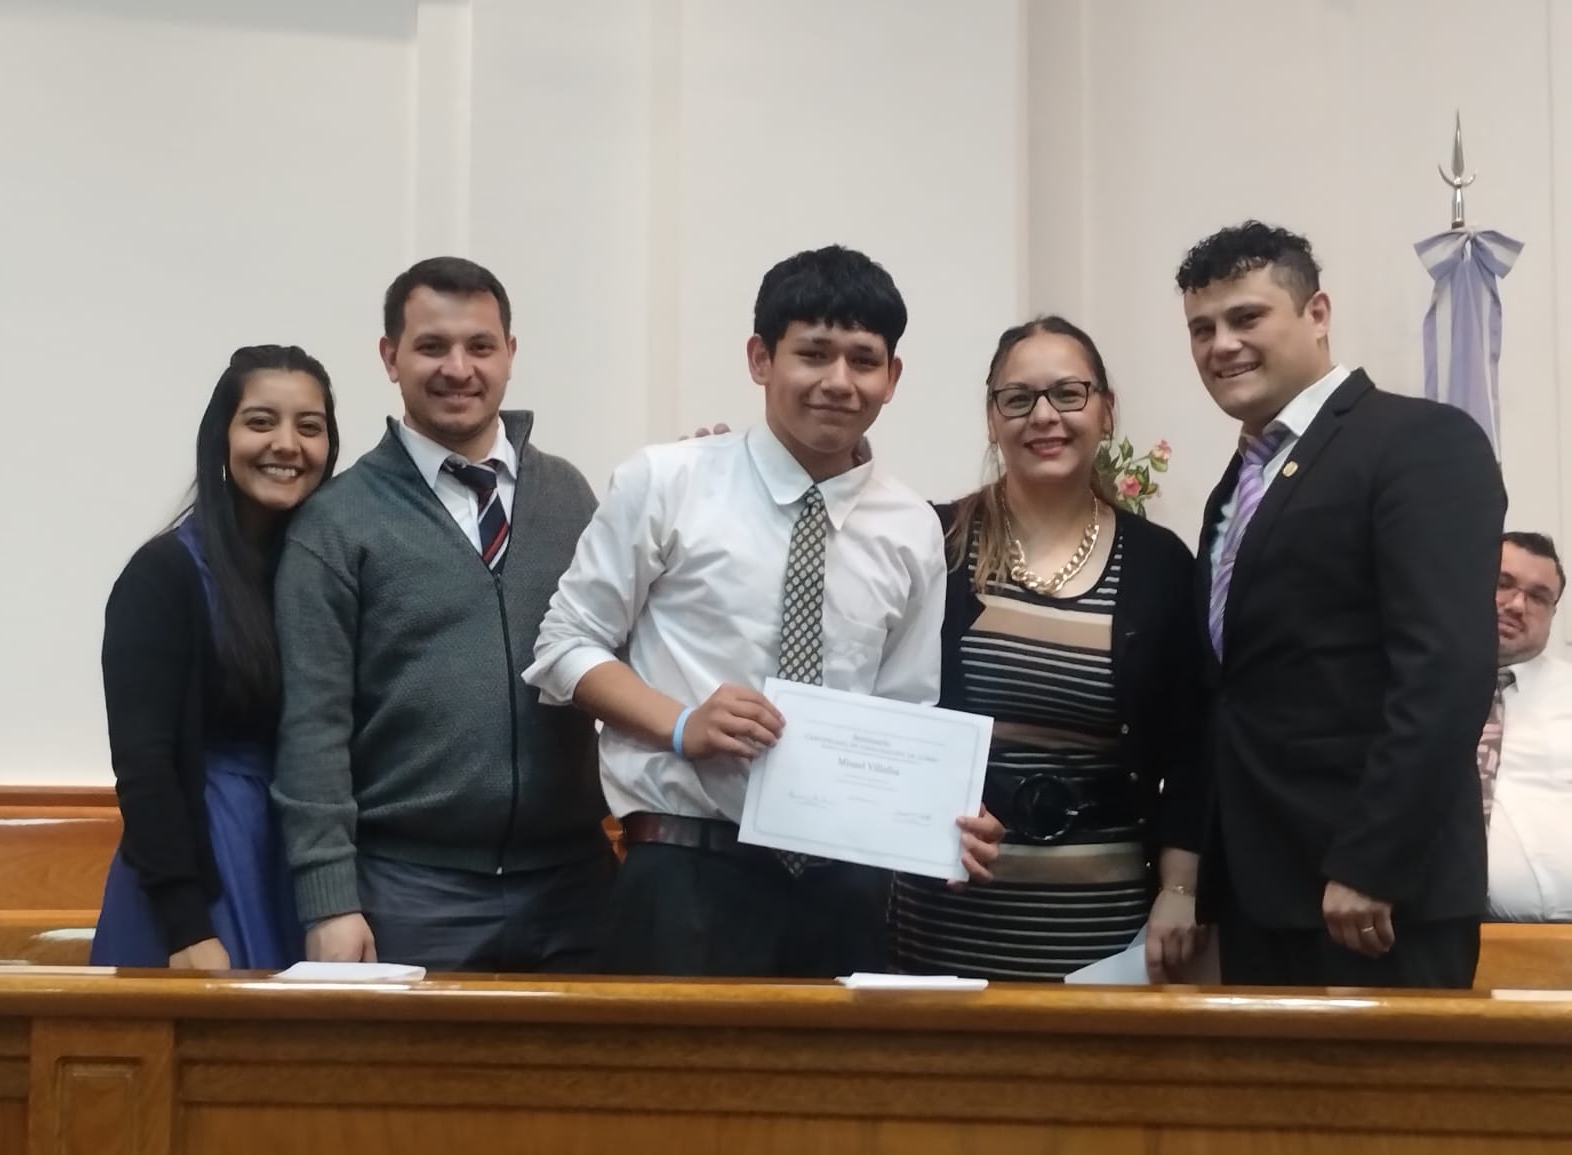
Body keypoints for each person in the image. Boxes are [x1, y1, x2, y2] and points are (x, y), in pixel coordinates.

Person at [524, 245, 1003, 977]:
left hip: (842, 888)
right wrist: (682, 724)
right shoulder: (666, 482)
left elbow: (903, 714)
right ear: (760, 359)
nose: (838, 381)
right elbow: (565, 646)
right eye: (813, 353)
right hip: (681, 872)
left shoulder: (912, 527)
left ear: (893, 376)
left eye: (864, 360)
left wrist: (939, 819)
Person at [1180, 221, 1506, 988]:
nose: (1222, 345)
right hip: (1259, 894)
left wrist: (1373, 860)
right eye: (1201, 328)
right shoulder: (1238, 486)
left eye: (1246, 317)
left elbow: (1445, 670)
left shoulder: (1419, 441)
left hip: (1372, 900)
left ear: (1317, 313)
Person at [271, 256, 612, 970]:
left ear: (509, 354)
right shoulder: (336, 522)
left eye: (480, 346)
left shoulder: (568, 495)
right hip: (410, 892)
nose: (459, 369)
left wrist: (694, 496)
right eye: (432, 346)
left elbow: (632, 649)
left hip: (576, 887)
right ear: (390, 357)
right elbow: (312, 726)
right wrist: (329, 902)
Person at [890, 317, 1207, 983]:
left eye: (1068, 393)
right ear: (991, 418)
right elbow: (874, 708)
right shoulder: (932, 542)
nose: (1044, 416)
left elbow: (1193, 751)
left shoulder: (1160, 566)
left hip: (1104, 923)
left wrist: (1179, 889)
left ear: (1105, 410)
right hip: (946, 914)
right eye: (1018, 398)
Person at [91, 345, 340, 970]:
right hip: (208, 868)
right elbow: (144, 766)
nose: (287, 444)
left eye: (309, 426)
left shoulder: (325, 571)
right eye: (261, 421)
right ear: (221, 437)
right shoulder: (163, 575)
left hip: (304, 860)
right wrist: (186, 930)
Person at [1484, 532, 1572, 921]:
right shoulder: (1405, 689)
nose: (1517, 605)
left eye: (1538, 597)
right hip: (1426, 930)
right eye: (1502, 583)